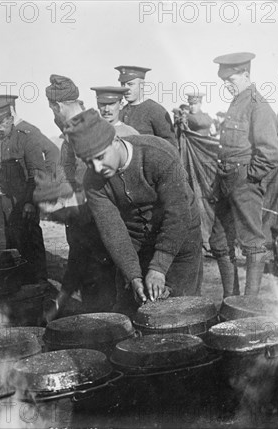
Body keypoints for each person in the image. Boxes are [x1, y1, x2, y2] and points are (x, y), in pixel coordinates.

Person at [65, 109, 203, 312]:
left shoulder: (159, 155)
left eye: (100, 157)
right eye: (88, 162)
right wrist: (133, 276)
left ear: (115, 140)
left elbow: (178, 214)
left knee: (183, 311)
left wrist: (159, 267)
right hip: (136, 241)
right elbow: (113, 231)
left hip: (181, 235)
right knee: (131, 308)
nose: (96, 167)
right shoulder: (93, 182)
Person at [41, 75, 117, 316]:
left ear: (58, 106)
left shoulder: (88, 127)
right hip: (81, 214)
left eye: (54, 110)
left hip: (98, 212)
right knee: (85, 271)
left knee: (103, 278)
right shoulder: (71, 128)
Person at [210, 52, 278, 296]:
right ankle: (231, 300)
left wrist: (249, 177)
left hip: (244, 183)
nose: (227, 86)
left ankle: (249, 305)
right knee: (219, 243)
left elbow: (272, 152)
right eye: (224, 82)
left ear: (246, 75)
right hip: (225, 182)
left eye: (231, 81)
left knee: (252, 243)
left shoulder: (257, 105)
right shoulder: (237, 102)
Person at [0, 98, 49, 285]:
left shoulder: (26, 136)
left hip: (22, 202)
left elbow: (37, 172)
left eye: (0, 123)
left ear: (10, 118)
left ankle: (39, 284)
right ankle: (12, 285)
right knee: (4, 244)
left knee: (28, 242)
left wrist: (30, 201)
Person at [115, 65, 177, 146]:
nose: (125, 89)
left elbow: (171, 146)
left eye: (130, 84)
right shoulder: (120, 112)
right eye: (123, 84)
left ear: (142, 85)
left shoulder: (156, 110)